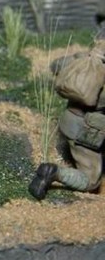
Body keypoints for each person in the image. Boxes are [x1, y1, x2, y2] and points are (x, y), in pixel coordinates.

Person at [29, 40, 105, 200]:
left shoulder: (83, 58)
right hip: (88, 131)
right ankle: (55, 173)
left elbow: (56, 65)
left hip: (68, 121)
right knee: (91, 181)